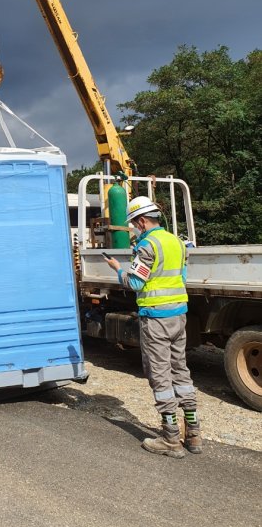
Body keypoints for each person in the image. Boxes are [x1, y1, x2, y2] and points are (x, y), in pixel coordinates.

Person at [104, 196, 202, 458]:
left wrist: (117, 269)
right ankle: (193, 433)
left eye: (135, 224)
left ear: (141, 220)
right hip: (179, 316)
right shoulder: (177, 243)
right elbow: (181, 277)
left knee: (160, 373)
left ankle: (170, 438)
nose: (136, 228)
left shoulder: (147, 246)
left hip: (156, 318)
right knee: (180, 369)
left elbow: (135, 284)